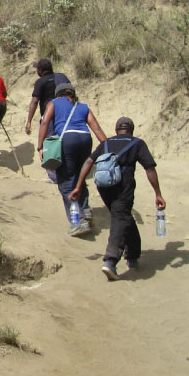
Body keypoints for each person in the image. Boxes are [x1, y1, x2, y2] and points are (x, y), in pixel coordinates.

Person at [69, 117, 165, 281]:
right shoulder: (137, 143)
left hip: (104, 186)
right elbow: (149, 168)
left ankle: (133, 255)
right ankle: (110, 261)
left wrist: (78, 186)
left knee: (123, 215)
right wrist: (157, 193)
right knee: (120, 217)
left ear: (116, 130)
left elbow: (88, 162)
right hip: (123, 185)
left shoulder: (106, 143)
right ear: (131, 130)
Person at [38, 82, 107, 236]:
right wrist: (109, 147)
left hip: (67, 140)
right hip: (85, 140)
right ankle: (86, 211)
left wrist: (40, 146)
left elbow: (45, 122)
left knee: (66, 182)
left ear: (58, 94)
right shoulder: (83, 106)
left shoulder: (54, 103)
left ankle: (78, 222)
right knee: (79, 176)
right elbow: (96, 127)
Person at [26, 58, 71, 182]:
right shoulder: (62, 77)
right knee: (64, 142)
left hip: (49, 116)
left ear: (40, 70)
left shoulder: (40, 82)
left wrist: (29, 120)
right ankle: (69, 172)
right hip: (66, 114)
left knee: (49, 144)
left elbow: (35, 101)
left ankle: (54, 176)